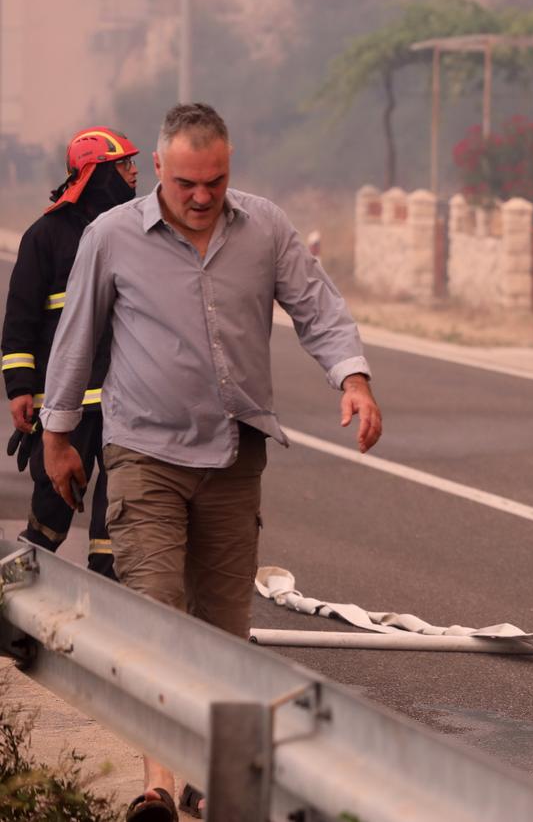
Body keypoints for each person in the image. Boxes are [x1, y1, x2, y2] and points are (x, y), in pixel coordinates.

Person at [40, 103, 383, 822]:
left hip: (233, 453)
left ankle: (205, 773)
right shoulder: (112, 236)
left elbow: (318, 308)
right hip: (144, 452)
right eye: (187, 182)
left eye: (216, 181)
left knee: (223, 632)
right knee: (155, 615)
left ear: (230, 170)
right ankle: (159, 787)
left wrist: (352, 379)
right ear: (158, 169)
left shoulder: (265, 229)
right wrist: (58, 436)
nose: (202, 196)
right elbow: (76, 336)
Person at [3, 128, 140, 578]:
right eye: (124, 165)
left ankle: (105, 598)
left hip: (125, 405)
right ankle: (15, 596)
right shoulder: (45, 236)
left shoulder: (137, 231)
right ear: (96, 173)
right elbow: (20, 322)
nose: (135, 172)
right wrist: (20, 389)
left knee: (118, 519)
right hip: (66, 407)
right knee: (50, 515)